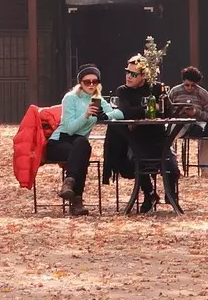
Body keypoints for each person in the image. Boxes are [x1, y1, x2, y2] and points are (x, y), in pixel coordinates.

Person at [45, 65, 120, 215]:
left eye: (95, 81)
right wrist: (86, 115)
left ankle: (69, 183)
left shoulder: (97, 100)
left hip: (78, 145)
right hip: (59, 142)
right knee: (82, 148)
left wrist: (107, 116)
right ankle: (77, 200)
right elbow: (71, 128)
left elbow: (119, 113)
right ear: (80, 83)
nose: (91, 85)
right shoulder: (70, 98)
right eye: (87, 82)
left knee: (82, 145)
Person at [114, 55, 180, 213]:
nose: (128, 76)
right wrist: (150, 108)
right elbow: (125, 112)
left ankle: (170, 195)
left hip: (158, 139)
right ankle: (149, 193)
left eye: (133, 74)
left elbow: (168, 111)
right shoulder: (123, 91)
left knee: (172, 169)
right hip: (135, 139)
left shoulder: (156, 88)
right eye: (127, 72)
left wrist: (158, 107)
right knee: (137, 163)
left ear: (144, 75)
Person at [165, 66, 208, 172]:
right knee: (167, 135)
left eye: (193, 85)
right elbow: (167, 109)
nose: (189, 88)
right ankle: (172, 167)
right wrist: (178, 112)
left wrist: (195, 112)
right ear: (183, 81)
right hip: (179, 121)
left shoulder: (202, 93)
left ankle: (206, 169)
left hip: (197, 122)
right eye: (187, 85)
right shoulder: (175, 91)